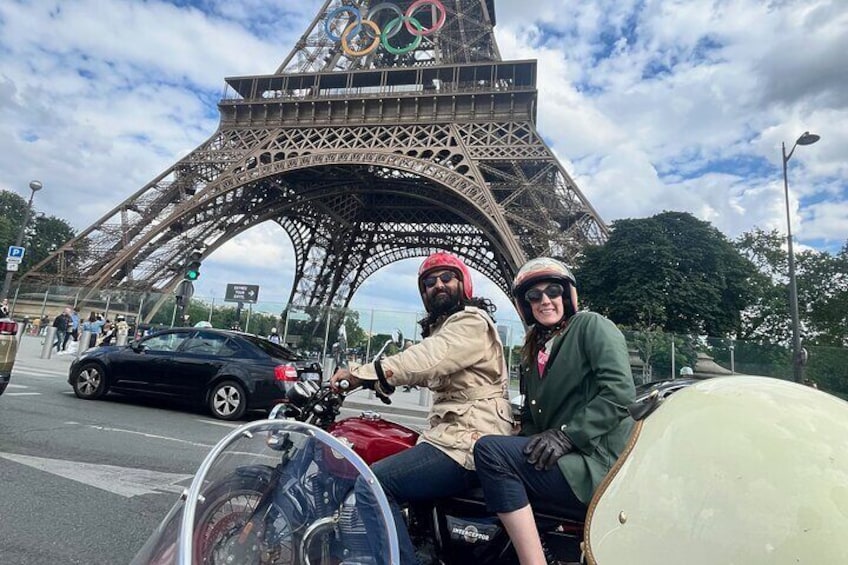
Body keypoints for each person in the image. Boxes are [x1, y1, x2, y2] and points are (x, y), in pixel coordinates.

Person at [329, 252, 515, 565]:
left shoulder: (470, 321)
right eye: (430, 282)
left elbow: (428, 358)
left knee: (373, 484)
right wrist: (383, 383)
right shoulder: (447, 328)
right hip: (454, 435)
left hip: (467, 439)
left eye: (446, 278)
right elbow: (432, 368)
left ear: (463, 283)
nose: (438, 285)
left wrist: (362, 374)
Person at [472, 257, 635, 565]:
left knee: (490, 452)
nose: (544, 300)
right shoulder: (534, 351)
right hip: (565, 461)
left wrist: (566, 436)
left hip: (594, 465)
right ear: (525, 305)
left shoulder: (591, 326)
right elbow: (535, 423)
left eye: (553, 291)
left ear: (567, 296)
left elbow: (619, 394)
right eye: (534, 296)